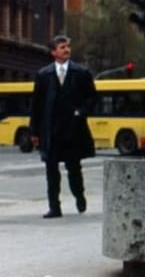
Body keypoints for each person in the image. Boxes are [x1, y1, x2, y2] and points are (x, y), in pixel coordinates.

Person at [29, 35, 96, 218]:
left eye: (67, 46)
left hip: (73, 130)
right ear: (53, 53)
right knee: (51, 171)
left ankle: (79, 196)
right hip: (51, 131)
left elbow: (92, 98)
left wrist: (80, 112)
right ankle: (54, 207)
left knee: (74, 168)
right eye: (61, 47)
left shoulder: (81, 73)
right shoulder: (44, 75)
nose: (66, 49)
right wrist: (34, 131)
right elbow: (36, 105)